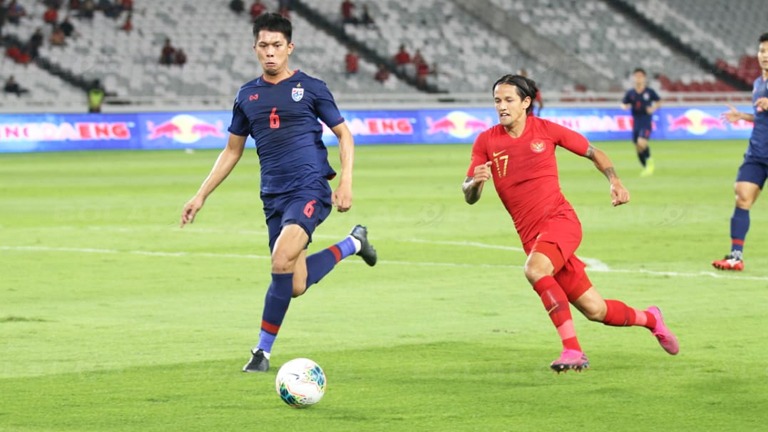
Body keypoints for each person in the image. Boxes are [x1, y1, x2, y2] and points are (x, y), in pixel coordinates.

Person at [180, 13, 377, 373]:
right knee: (295, 283)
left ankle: (261, 352)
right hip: (273, 195)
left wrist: (345, 181)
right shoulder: (246, 95)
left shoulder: (312, 87)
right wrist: (200, 195)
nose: (270, 52)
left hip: (310, 188)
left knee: (279, 260)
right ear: (254, 49)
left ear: (290, 47)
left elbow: (344, 135)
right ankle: (353, 244)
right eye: (263, 46)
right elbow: (232, 151)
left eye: (276, 46)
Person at [462, 74, 679, 372]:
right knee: (596, 310)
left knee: (535, 269)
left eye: (509, 100)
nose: (502, 106)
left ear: (526, 102)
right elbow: (468, 194)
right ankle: (651, 318)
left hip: (560, 221)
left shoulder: (546, 131)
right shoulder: (486, 141)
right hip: (533, 237)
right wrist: (475, 183)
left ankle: (573, 350)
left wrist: (614, 181)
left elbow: (594, 152)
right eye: (497, 100)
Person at [712, 33, 768, 272]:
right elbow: (762, 116)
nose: (765, 56)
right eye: (762, 51)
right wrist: (743, 116)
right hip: (757, 152)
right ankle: (736, 257)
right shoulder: (758, 84)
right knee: (742, 195)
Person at [621, 67, 661, 177]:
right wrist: (625, 106)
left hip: (646, 121)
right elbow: (623, 103)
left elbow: (659, 101)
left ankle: (650, 162)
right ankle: (646, 167)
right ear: (634, 78)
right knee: (637, 146)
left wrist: (653, 108)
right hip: (636, 122)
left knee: (641, 142)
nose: (638, 78)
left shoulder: (649, 92)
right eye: (636, 76)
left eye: (640, 76)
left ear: (644, 78)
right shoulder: (631, 93)